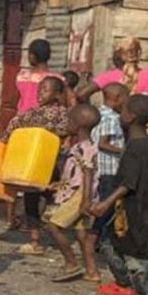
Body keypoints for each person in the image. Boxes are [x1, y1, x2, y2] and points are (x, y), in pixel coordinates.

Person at [88, 94, 148, 295]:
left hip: (138, 210)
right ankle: (124, 284)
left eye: (123, 112)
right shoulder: (143, 143)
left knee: (137, 258)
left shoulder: (136, 148)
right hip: (139, 206)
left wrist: (104, 203)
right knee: (111, 242)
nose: (120, 116)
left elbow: (127, 183)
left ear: (130, 117)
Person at [0, 76, 70, 252]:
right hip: (33, 163)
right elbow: (14, 126)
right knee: (34, 199)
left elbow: (66, 132)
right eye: (39, 90)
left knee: (47, 196)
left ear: (56, 94)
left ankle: (42, 236)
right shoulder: (32, 112)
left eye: (45, 90)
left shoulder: (61, 113)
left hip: (51, 162)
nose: (40, 94)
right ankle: (36, 239)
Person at [43, 104, 101, 282]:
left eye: (69, 120)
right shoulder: (79, 146)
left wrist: (85, 200)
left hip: (80, 195)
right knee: (82, 234)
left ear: (78, 125)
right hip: (81, 193)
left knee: (53, 225)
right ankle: (92, 271)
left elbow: (89, 173)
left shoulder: (85, 147)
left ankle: (71, 263)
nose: (66, 124)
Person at [76, 37, 148, 119]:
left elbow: (81, 94)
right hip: (138, 130)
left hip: (112, 130)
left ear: (118, 55)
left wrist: (95, 116)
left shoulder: (109, 77)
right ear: (138, 54)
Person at [90, 83, 130, 292]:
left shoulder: (96, 114)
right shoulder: (112, 119)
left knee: (102, 214)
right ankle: (101, 245)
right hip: (110, 172)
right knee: (106, 216)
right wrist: (124, 151)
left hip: (99, 170)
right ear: (117, 98)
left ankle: (95, 244)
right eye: (126, 99)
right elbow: (103, 143)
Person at [15, 39, 64, 115]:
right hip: (47, 120)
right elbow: (63, 103)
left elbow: (14, 101)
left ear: (32, 56)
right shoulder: (58, 79)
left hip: (23, 119)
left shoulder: (22, 77)